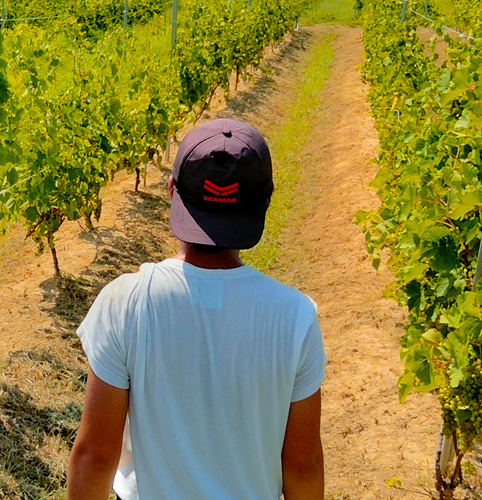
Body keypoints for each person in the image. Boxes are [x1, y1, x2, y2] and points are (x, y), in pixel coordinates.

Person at [66, 118, 326, 500]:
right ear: (266, 201)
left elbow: (95, 456)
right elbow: (302, 466)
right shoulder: (295, 318)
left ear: (172, 190)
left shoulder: (125, 302)